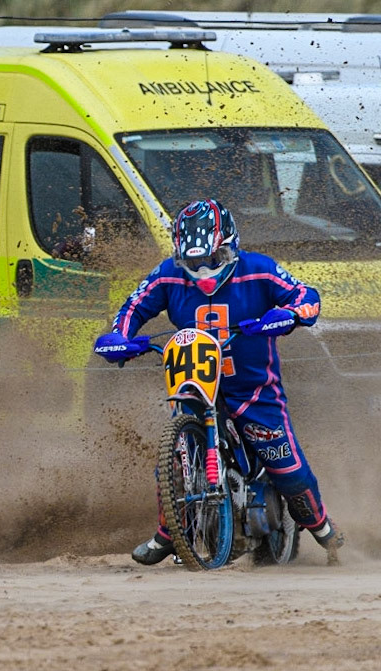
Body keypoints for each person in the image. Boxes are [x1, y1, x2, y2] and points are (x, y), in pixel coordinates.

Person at [93, 198, 345, 565]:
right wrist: (120, 336)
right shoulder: (166, 275)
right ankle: (169, 533)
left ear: (231, 246)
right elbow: (133, 307)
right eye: (193, 263)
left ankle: (322, 527)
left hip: (253, 389)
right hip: (192, 383)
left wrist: (288, 315)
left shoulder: (260, 269)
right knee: (175, 458)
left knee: (285, 466)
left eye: (213, 258)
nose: (204, 270)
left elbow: (307, 297)